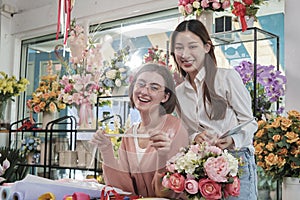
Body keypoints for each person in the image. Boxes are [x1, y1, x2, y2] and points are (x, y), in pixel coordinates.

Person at [170, 19, 258, 200]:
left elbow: (250, 123)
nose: (185, 54)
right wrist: (195, 137)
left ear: (207, 47)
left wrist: (232, 140)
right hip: (202, 165)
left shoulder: (226, 78)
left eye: (192, 46)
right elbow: (186, 131)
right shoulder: (178, 93)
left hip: (237, 161)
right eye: (179, 48)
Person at [90, 63, 189, 198]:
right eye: (140, 84)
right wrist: (106, 150)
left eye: (154, 88)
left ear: (165, 97)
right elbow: (122, 190)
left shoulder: (175, 130)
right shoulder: (130, 134)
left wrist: (162, 158)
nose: (144, 91)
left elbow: (169, 194)